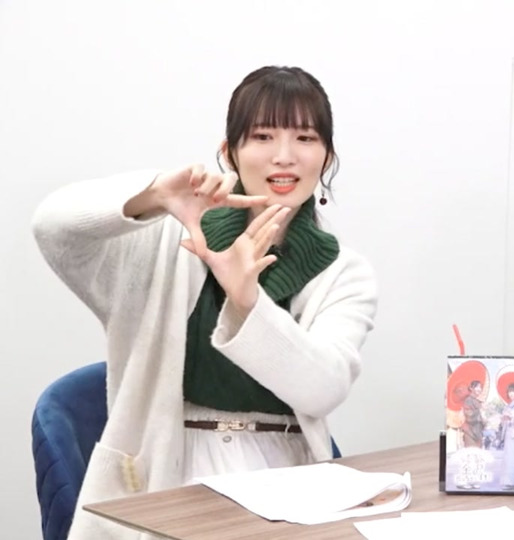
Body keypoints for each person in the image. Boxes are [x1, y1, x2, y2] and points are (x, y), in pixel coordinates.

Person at [32, 66, 378, 539]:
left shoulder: (344, 272)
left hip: (288, 480)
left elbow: (324, 389)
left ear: (326, 157)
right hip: (165, 477)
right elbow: (52, 228)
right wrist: (154, 194)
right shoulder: (166, 239)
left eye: (305, 138)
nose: (284, 156)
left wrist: (247, 302)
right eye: (262, 136)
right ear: (229, 152)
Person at [462, 380, 485, 449]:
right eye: (477, 387)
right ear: (471, 388)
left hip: (478, 433)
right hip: (470, 433)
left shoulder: (478, 402)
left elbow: (482, 420)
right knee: (471, 453)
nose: (479, 389)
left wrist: (484, 419)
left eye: (480, 387)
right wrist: (480, 411)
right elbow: (468, 415)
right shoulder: (468, 400)